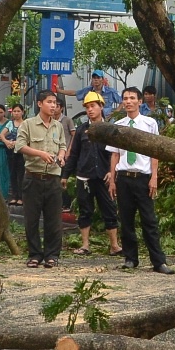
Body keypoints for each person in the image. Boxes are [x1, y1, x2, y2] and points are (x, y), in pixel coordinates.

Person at [108, 87, 173, 273]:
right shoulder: (118, 125)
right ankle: (130, 259)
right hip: (124, 177)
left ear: (139, 101)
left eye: (132, 98)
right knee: (126, 220)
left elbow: (154, 152)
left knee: (149, 220)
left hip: (143, 177)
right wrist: (112, 179)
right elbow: (114, 154)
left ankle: (158, 262)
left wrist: (154, 176)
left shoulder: (149, 123)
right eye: (125, 98)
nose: (128, 101)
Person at [15, 92, 69, 267]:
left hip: (53, 178)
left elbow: (62, 145)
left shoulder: (58, 126)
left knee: (54, 220)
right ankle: (35, 255)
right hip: (33, 177)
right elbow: (19, 146)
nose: (53, 106)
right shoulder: (28, 124)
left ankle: (52, 255)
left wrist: (61, 156)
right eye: (49, 102)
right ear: (39, 104)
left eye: (55, 103)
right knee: (31, 219)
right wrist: (40, 154)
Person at [69, 92, 121, 255]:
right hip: (84, 175)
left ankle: (114, 246)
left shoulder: (110, 129)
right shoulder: (81, 130)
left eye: (93, 106)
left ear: (101, 106)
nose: (90, 110)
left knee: (110, 210)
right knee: (85, 210)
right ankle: (85, 245)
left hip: (104, 177)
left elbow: (116, 153)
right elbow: (74, 153)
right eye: (87, 107)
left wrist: (112, 172)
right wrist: (65, 175)